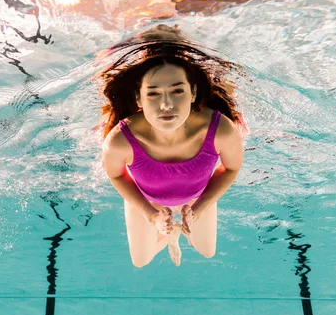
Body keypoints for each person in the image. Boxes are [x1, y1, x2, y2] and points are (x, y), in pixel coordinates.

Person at [99, 25, 246, 268]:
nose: (166, 105)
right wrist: (150, 214)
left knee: (207, 252)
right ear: (139, 99)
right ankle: (171, 235)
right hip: (147, 198)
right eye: (154, 94)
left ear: (193, 93)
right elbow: (115, 174)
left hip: (198, 196)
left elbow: (230, 169)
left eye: (177, 91)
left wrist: (199, 208)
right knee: (141, 261)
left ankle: (177, 228)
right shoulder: (119, 140)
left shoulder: (221, 130)